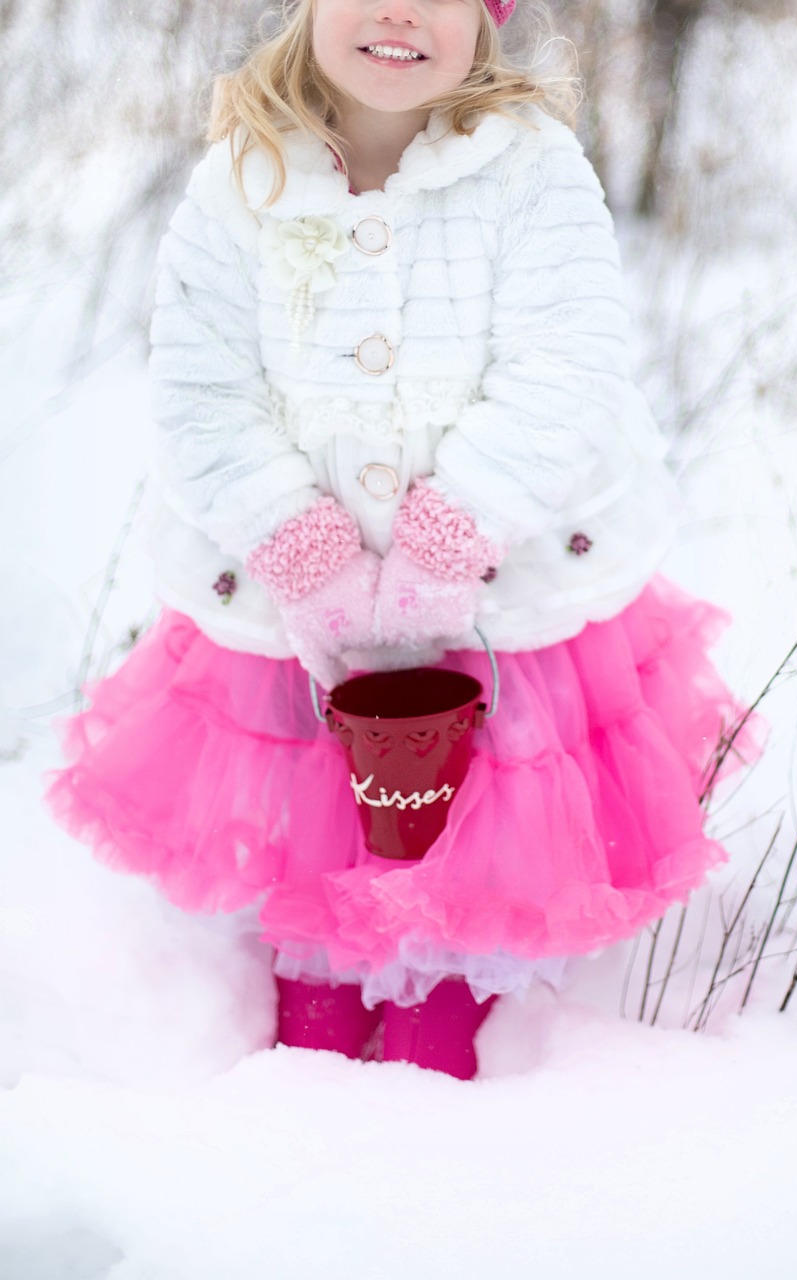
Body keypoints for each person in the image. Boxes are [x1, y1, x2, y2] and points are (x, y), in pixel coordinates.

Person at [48, 0, 756, 1080]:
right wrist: (305, 551)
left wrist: (446, 538)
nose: (397, 13)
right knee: (321, 824)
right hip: (295, 619)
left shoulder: (531, 172)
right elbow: (201, 391)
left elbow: (563, 370)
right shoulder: (237, 184)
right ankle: (311, 1059)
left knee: (471, 827)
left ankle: (448, 1049)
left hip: (500, 597)